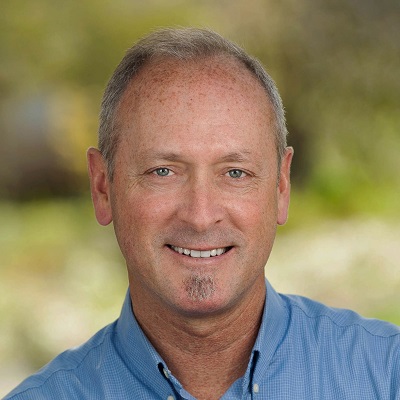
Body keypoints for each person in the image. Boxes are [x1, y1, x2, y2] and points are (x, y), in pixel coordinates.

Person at [5, 27, 399, 400]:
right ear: (103, 187)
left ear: (281, 187)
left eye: (235, 172)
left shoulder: (386, 375)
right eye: (163, 171)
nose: (200, 215)